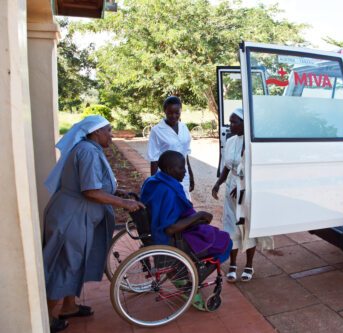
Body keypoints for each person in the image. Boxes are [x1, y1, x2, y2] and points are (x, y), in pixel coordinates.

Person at [43, 115, 144, 332]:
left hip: (75, 214)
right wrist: (123, 202)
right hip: (71, 217)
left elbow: (95, 183)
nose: (111, 134)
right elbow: (89, 191)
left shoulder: (91, 149)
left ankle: (68, 306)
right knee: (65, 263)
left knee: (75, 262)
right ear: (96, 133)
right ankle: (46, 317)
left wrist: (118, 191)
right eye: (108, 130)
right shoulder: (88, 151)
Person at [141, 150, 232, 310]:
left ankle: (187, 276)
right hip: (172, 238)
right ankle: (195, 279)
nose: (185, 172)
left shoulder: (153, 181)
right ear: (170, 170)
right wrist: (199, 216)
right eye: (182, 168)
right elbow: (170, 228)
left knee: (211, 230)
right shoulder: (168, 191)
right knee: (225, 241)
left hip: (156, 230)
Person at [212, 108, 257, 282]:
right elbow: (227, 166)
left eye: (234, 122)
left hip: (248, 189)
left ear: (245, 123)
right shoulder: (230, 141)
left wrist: (243, 186)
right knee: (231, 227)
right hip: (231, 188)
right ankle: (232, 264)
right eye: (230, 122)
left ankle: (249, 265)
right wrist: (218, 183)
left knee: (247, 227)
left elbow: (255, 170)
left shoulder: (253, 143)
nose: (230, 125)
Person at [147, 96, 194, 199]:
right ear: (164, 111)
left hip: (183, 174)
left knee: (185, 203)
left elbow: (185, 153)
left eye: (177, 113)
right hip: (166, 176)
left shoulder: (184, 127)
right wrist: (154, 184)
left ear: (180, 111)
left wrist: (191, 175)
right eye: (170, 113)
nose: (173, 116)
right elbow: (154, 160)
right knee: (170, 205)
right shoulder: (157, 130)